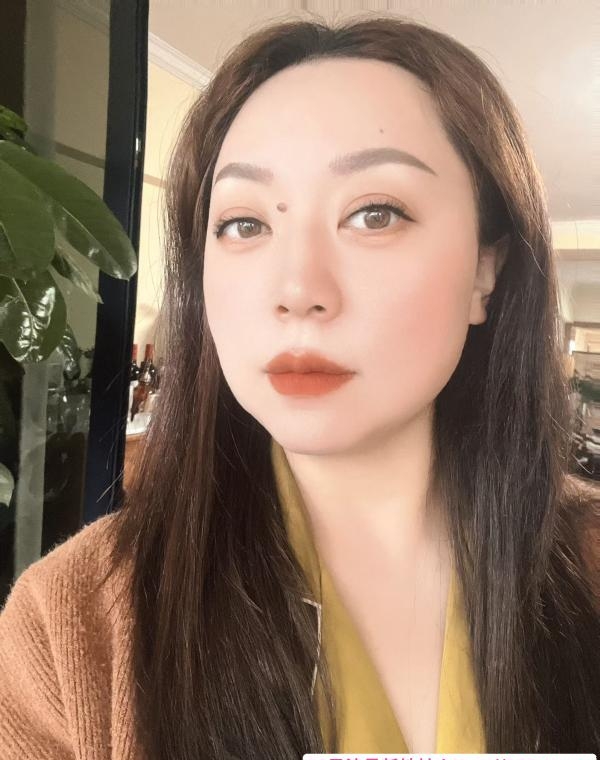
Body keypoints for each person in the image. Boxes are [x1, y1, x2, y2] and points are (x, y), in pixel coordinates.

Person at [1, 14, 599, 758]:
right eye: (245, 224)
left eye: (374, 214)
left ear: (487, 268)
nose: (297, 290)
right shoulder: (73, 627)